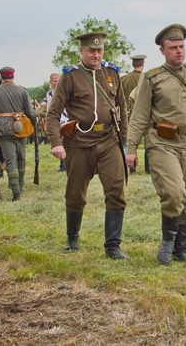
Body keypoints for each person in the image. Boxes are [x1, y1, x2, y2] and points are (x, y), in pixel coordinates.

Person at [126, 24, 186, 265]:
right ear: (162, 50)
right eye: (173, 48)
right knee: (174, 192)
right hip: (163, 143)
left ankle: (181, 248)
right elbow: (139, 116)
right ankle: (167, 241)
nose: (179, 51)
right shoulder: (152, 78)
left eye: (182, 46)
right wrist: (131, 148)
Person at [45, 32, 129, 259]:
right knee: (75, 194)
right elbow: (52, 114)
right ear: (82, 51)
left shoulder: (112, 73)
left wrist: (125, 140)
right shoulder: (70, 76)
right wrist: (56, 143)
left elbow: (122, 107)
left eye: (99, 50)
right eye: (91, 50)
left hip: (109, 141)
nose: (96, 54)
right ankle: (73, 239)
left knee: (116, 192)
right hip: (80, 143)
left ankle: (113, 245)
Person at [0, 66, 37, 201]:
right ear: (13, 76)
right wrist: (35, 122)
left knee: (10, 161)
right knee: (21, 158)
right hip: (22, 127)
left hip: (3, 129)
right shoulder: (22, 91)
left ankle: (16, 193)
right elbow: (30, 111)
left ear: (1, 78)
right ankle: (19, 187)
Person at [46, 72, 68, 172]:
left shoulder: (66, 91)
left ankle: (65, 164)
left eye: (59, 81)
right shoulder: (49, 94)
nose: (57, 83)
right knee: (58, 142)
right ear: (51, 82)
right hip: (56, 121)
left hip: (66, 120)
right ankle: (62, 164)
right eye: (55, 81)